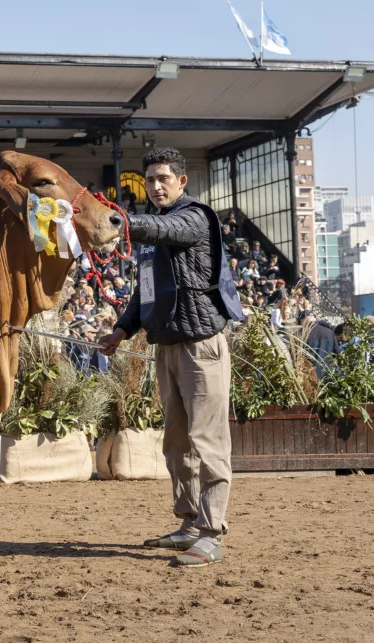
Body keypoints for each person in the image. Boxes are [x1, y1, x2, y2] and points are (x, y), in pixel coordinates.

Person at [99, 147, 244, 568]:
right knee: (177, 443)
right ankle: (189, 524)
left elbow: (163, 230)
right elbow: (143, 292)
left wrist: (117, 220)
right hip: (168, 346)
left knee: (208, 441)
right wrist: (121, 330)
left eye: (163, 178)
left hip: (202, 347)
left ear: (181, 181)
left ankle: (211, 533)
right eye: (149, 180)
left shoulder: (194, 217)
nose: (155, 186)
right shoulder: (153, 232)